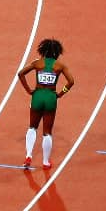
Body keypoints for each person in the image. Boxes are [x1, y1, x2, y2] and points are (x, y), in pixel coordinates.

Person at [18, 38, 75, 169]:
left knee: (32, 127)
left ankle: (28, 155)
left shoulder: (37, 63)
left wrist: (28, 90)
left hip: (37, 96)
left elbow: (20, 73)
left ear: (42, 50)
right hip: (50, 97)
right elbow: (71, 81)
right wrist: (61, 93)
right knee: (47, 132)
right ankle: (45, 162)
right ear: (57, 52)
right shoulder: (59, 66)